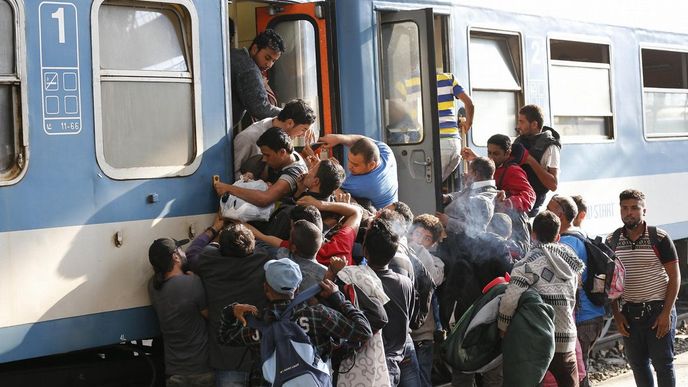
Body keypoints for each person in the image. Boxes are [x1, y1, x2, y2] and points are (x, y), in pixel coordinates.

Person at [217, 258, 373, 372]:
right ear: (297, 290)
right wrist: (338, 297)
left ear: (266, 288)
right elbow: (364, 331)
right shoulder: (318, 316)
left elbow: (224, 337)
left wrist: (231, 310)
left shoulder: (256, 327)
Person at [498, 211, 584, 387]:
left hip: (536, 337)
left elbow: (510, 299)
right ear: (558, 236)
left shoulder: (526, 264)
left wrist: (503, 326)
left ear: (533, 234)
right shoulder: (571, 262)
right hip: (566, 336)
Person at [184, 218, 270, 387]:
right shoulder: (263, 259)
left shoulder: (209, 259)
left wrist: (214, 228)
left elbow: (192, 252)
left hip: (226, 358)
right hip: (260, 354)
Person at [607, 189, 680, 387]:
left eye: (634, 208)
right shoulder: (612, 241)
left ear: (644, 210)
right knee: (638, 365)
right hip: (629, 313)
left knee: (663, 364)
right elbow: (611, 283)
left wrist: (666, 314)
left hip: (658, 312)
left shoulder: (660, 237)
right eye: (624, 208)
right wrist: (617, 314)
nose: (628, 212)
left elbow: (674, 277)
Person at [547, 195, 604, 387]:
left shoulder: (566, 245)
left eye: (549, 209)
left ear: (560, 215)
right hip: (591, 315)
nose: (544, 212)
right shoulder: (578, 236)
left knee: (577, 376)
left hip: (582, 318)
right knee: (579, 373)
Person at [147, 238, 214, 387]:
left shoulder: (152, 287)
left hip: (174, 370)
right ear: (175, 257)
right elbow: (209, 315)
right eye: (181, 250)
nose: (184, 253)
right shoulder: (191, 283)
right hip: (200, 368)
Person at [365, 218, 418, 387]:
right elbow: (412, 317)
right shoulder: (405, 283)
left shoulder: (357, 280)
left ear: (365, 252)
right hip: (399, 354)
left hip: (373, 362)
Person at [462, 134, 535, 252]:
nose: (491, 157)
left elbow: (530, 195)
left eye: (495, 154)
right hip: (499, 225)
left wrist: (508, 203)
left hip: (515, 226)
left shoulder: (513, 171)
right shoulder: (498, 167)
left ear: (507, 153)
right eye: (489, 153)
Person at [215, 127, 307, 207]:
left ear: (282, 152)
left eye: (267, 155)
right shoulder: (285, 155)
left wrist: (228, 189)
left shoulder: (294, 173)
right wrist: (252, 175)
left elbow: (264, 199)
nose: (264, 159)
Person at [233, 99, 316, 179]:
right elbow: (234, 174)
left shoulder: (285, 131)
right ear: (290, 123)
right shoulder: (249, 138)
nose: (303, 135)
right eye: (303, 130)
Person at [319, 134, 398, 209]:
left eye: (355, 165)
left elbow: (332, 185)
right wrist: (340, 139)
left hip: (378, 218)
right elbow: (363, 141)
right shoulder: (386, 151)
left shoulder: (366, 184)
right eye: (349, 160)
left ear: (371, 165)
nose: (349, 166)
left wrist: (324, 167)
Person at [512, 104, 561, 216]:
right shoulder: (520, 141)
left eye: (522, 122)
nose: (518, 126)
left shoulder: (550, 147)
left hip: (532, 206)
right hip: (516, 200)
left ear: (534, 124)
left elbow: (553, 185)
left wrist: (530, 160)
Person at [230, 29, 284, 126]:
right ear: (255, 49)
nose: (269, 64)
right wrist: (292, 116)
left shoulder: (235, 54)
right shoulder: (249, 69)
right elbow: (261, 109)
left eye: (273, 61)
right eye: (267, 58)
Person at [437, 156, 498, 236]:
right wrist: (448, 198)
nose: (466, 173)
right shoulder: (477, 187)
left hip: (454, 239)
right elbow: (461, 194)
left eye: (469, 170)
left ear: (475, 174)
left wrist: (448, 222)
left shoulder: (482, 200)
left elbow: (475, 230)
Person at [435, 72, 475, 182]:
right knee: (435, 186)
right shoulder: (448, 78)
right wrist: (468, 123)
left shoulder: (409, 81)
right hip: (454, 145)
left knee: (428, 188)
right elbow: (469, 103)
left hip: (438, 144)